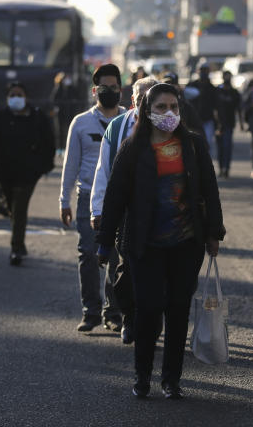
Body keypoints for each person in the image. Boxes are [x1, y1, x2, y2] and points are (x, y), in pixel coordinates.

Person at [96, 83, 224, 400]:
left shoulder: (193, 145)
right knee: (149, 310)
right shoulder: (133, 148)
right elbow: (115, 197)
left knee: (178, 310)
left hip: (186, 243)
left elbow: (209, 189)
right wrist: (104, 241)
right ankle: (142, 376)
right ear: (147, 111)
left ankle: (171, 379)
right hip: (145, 244)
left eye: (174, 107)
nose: (169, 113)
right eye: (162, 107)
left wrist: (213, 233)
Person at [89, 75, 159, 344]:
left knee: (158, 271)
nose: (145, 103)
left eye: (151, 99)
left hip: (162, 214)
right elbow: (104, 172)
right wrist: (99, 211)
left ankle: (153, 320)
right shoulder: (118, 128)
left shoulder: (169, 126)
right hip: (127, 214)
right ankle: (128, 317)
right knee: (126, 269)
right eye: (141, 98)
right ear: (133, 100)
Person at [59, 63, 126, 332]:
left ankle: (114, 311)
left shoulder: (128, 122)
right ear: (94, 90)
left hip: (120, 200)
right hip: (87, 197)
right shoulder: (81, 123)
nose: (108, 91)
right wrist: (64, 201)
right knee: (88, 254)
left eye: (113, 87)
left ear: (120, 90)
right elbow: (70, 164)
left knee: (117, 257)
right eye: (103, 87)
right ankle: (91, 311)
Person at [0, 82, 56, 266]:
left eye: (19, 94)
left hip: (29, 172)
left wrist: (43, 165)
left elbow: (49, 143)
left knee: (19, 208)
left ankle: (16, 247)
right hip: (5, 171)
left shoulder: (37, 117)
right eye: (12, 94)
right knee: (12, 207)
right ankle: (18, 241)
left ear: (26, 97)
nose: (16, 97)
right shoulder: (1, 116)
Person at [186, 62, 220, 156]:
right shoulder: (191, 85)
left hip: (207, 120)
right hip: (193, 121)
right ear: (198, 71)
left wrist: (218, 124)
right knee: (192, 145)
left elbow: (216, 107)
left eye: (206, 70)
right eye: (202, 70)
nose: (204, 72)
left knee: (207, 143)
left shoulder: (212, 88)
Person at [214, 70, 243, 178]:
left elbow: (239, 109)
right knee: (220, 148)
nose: (227, 79)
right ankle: (221, 168)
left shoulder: (234, 92)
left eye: (229, 77)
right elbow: (213, 108)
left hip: (229, 124)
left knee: (227, 147)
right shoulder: (217, 91)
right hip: (218, 124)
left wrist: (241, 123)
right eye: (225, 76)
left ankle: (226, 169)